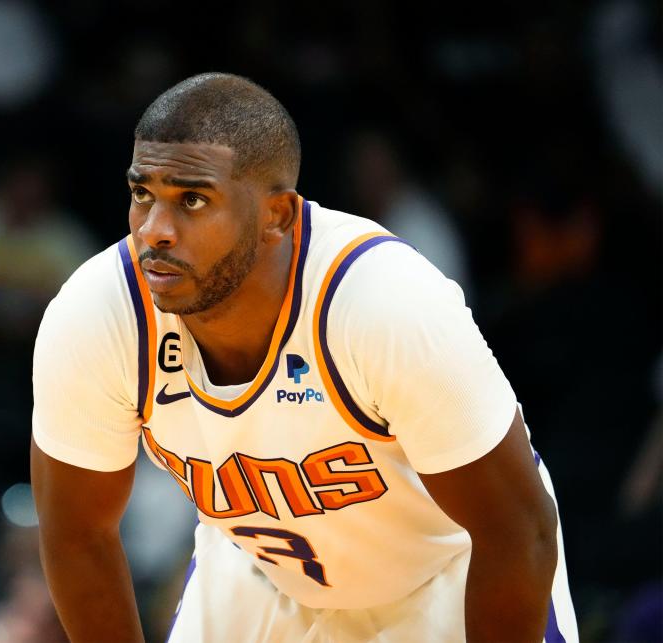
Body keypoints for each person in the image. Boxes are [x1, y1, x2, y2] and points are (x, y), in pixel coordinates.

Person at [30, 73, 578, 642]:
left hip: (447, 576)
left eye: (192, 199)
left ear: (278, 216)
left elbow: (517, 534)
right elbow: (77, 535)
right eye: (142, 194)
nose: (154, 231)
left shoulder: (383, 303)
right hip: (263, 580)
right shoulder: (98, 313)